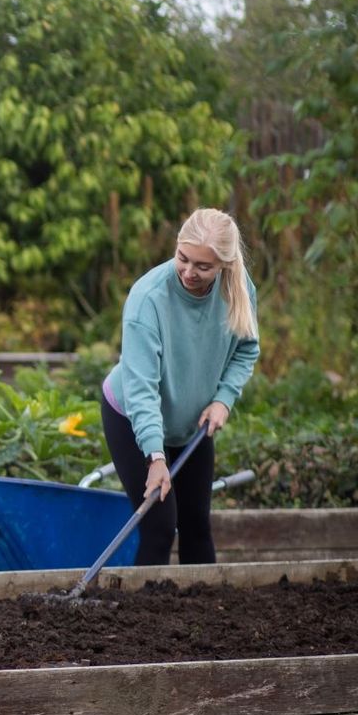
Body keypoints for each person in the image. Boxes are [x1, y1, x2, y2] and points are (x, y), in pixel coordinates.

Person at [102, 207, 260, 566]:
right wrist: (155, 457)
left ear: (224, 265)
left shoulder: (238, 289)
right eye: (182, 258)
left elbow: (248, 348)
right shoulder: (148, 299)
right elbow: (142, 390)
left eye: (203, 267)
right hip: (132, 417)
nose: (189, 272)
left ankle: (206, 617)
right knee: (159, 526)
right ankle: (141, 619)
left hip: (192, 424)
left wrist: (224, 399)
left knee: (196, 524)